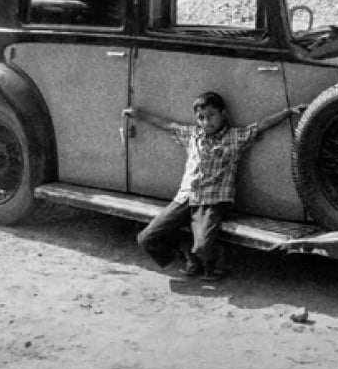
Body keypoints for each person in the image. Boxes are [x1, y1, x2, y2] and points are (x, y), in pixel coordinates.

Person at [131, 92, 305, 281]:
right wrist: (139, 114)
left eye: (211, 116)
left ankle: (209, 262)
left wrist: (287, 112)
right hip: (185, 198)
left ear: (223, 113)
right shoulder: (191, 135)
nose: (206, 122)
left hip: (212, 201)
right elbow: (166, 125)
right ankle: (187, 254)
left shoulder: (234, 137)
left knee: (204, 247)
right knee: (146, 238)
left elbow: (260, 126)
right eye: (201, 118)